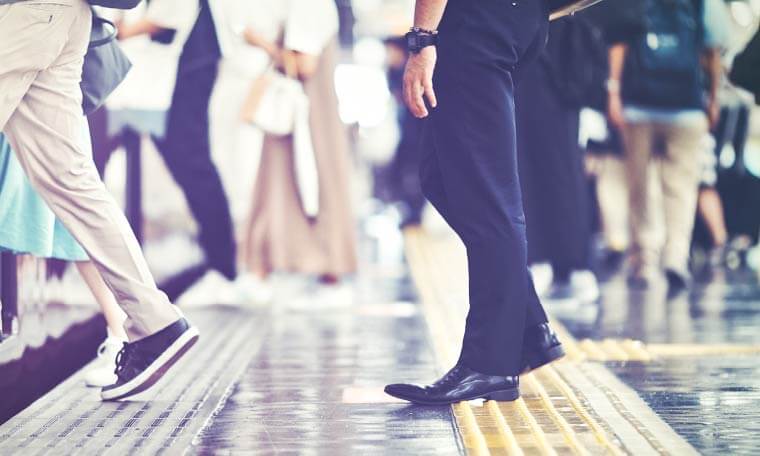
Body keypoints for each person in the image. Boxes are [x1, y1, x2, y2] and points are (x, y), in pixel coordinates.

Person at [0, 0, 196, 401]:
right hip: (66, 16)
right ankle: (155, 321)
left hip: (26, 15)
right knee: (74, 182)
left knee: (73, 181)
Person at [384, 0, 566, 405]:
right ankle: (528, 328)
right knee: (442, 178)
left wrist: (422, 40)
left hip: (474, 26)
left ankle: (491, 363)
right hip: (520, 22)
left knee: (487, 195)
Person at [234, 0, 358, 302]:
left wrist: (262, 43)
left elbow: (304, 64)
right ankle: (313, 271)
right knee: (300, 175)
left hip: (306, 101)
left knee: (314, 175)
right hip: (303, 101)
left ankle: (330, 272)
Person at [607, 0, 728, 293]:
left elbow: (619, 42)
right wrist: (713, 98)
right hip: (686, 106)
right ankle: (676, 256)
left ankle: (645, 260)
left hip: (640, 104)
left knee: (640, 186)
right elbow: (713, 50)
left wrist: (613, 91)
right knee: (682, 188)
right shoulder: (702, 3)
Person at [0, 130, 127, 387]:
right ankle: (123, 335)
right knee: (75, 223)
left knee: (75, 222)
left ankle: (124, 337)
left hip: (32, 113)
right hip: (39, 117)